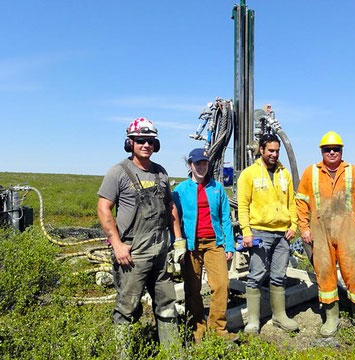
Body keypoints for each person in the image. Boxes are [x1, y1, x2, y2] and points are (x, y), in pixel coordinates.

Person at [97, 117, 182, 356]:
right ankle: (125, 354)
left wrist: (178, 240)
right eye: (141, 141)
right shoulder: (118, 172)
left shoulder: (160, 172)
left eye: (151, 141)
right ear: (130, 143)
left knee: (166, 304)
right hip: (132, 253)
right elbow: (103, 208)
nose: (146, 145)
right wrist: (117, 245)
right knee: (128, 307)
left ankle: (173, 352)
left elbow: (170, 207)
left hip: (159, 250)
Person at [295, 130, 355, 339]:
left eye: (336, 149)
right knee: (324, 272)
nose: (332, 152)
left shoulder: (354, 172)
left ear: (341, 151)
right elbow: (301, 202)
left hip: (348, 229)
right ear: (321, 151)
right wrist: (303, 228)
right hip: (320, 229)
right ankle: (331, 317)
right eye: (327, 149)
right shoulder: (310, 172)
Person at [172, 148, 237, 343]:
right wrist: (177, 244)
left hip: (214, 243)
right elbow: (175, 219)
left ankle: (219, 328)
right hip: (191, 245)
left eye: (205, 163)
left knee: (221, 285)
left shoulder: (217, 189)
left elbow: (226, 218)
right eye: (198, 163)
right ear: (190, 165)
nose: (201, 167)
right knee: (192, 289)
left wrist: (229, 245)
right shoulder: (180, 191)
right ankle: (197, 328)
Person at [237, 133, 299, 334]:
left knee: (279, 276)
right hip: (260, 232)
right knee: (256, 275)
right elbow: (243, 206)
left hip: (283, 234)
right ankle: (253, 321)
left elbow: (292, 202)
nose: (274, 154)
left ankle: (279, 316)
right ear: (261, 150)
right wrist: (246, 232)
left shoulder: (284, 174)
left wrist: (293, 225)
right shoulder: (249, 174)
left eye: (277, 151)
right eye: (270, 150)